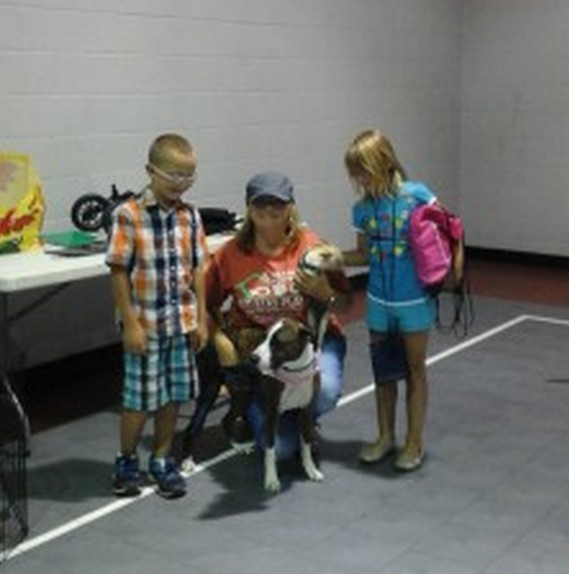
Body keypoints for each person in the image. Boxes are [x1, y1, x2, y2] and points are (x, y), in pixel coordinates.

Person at [341, 129, 463, 472]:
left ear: (382, 161)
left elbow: (452, 231)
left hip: (414, 301)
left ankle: (414, 441)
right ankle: (384, 437)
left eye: (362, 170)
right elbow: (362, 254)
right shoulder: (362, 209)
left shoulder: (418, 196)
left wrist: (454, 273)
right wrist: (331, 256)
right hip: (379, 301)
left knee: (414, 370)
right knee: (384, 373)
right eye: (355, 173)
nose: (359, 179)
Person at [206, 171, 350, 460]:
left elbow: (346, 303)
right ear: (248, 207)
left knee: (326, 391)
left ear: (291, 207)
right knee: (283, 451)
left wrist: (326, 294)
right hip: (260, 347)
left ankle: (298, 413)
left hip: (309, 343)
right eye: (261, 203)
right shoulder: (231, 254)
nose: (269, 211)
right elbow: (207, 304)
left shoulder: (313, 248)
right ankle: (253, 408)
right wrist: (218, 337)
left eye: (278, 204)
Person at [106, 133, 208, 498]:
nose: (181, 185)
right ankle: (126, 459)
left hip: (181, 322)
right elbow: (118, 270)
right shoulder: (128, 215)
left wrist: (202, 317)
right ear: (151, 171)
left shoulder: (190, 216)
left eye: (189, 177)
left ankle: (162, 459)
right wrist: (130, 323)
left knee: (172, 395)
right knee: (139, 399)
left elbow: (198, 269)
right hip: (144, 326)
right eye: (174, 176)